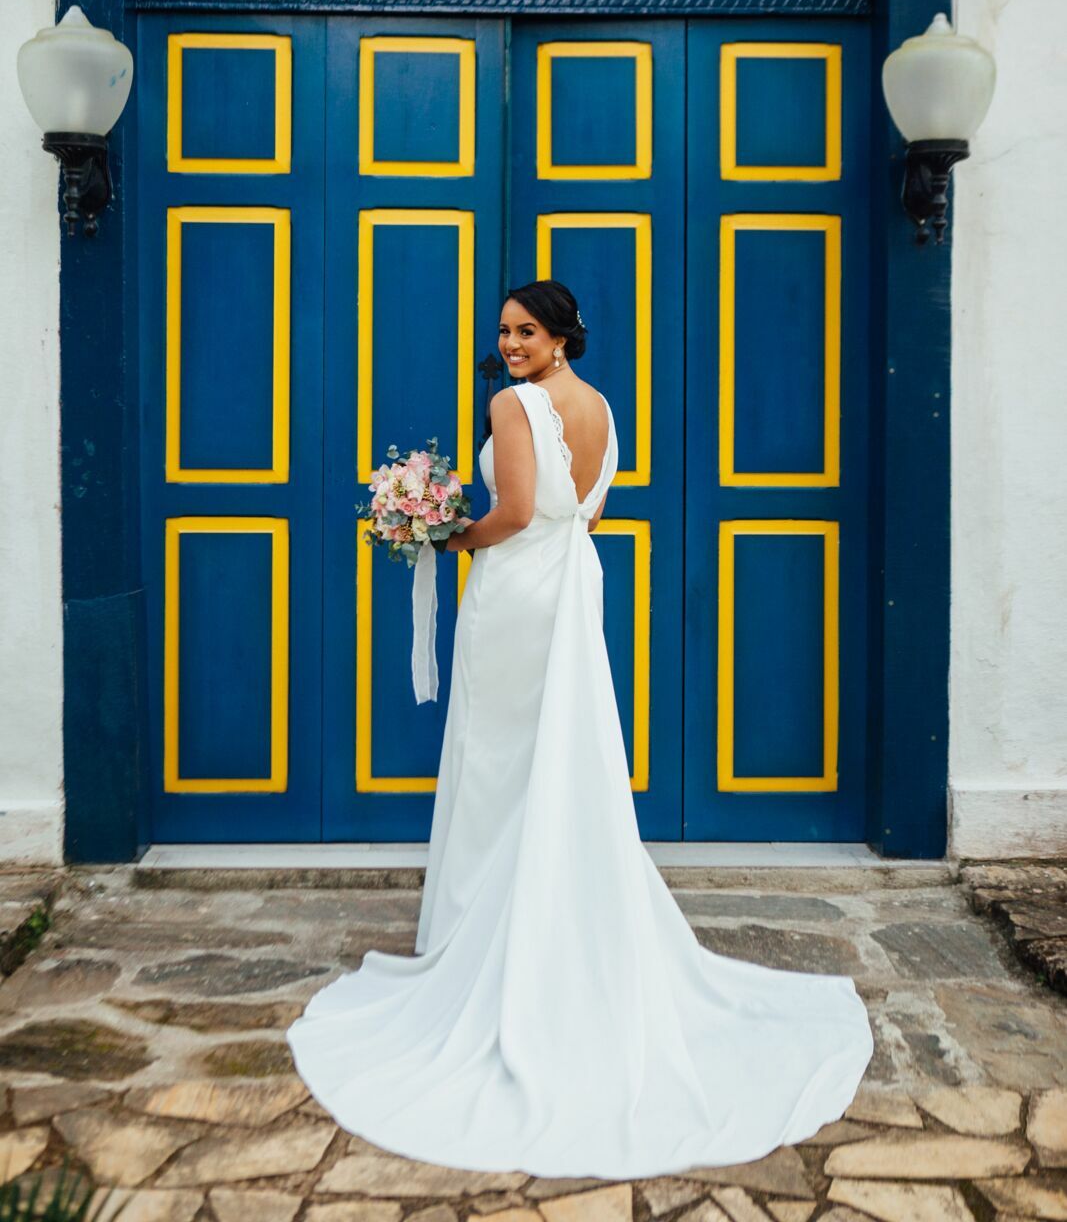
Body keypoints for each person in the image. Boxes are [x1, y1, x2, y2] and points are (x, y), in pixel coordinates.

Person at [286, 279, 874, 1179]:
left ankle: (489, 939)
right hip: (569, 582)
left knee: (498, 761)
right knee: (554, 755)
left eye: (526, 331)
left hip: (517, 592)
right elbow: (588, 512)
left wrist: (444, 535)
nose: (511, 344)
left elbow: (518, 512)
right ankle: (554, 925)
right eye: (504, 332)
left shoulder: (513, 404)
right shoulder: (599, 407)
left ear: (560, 336)